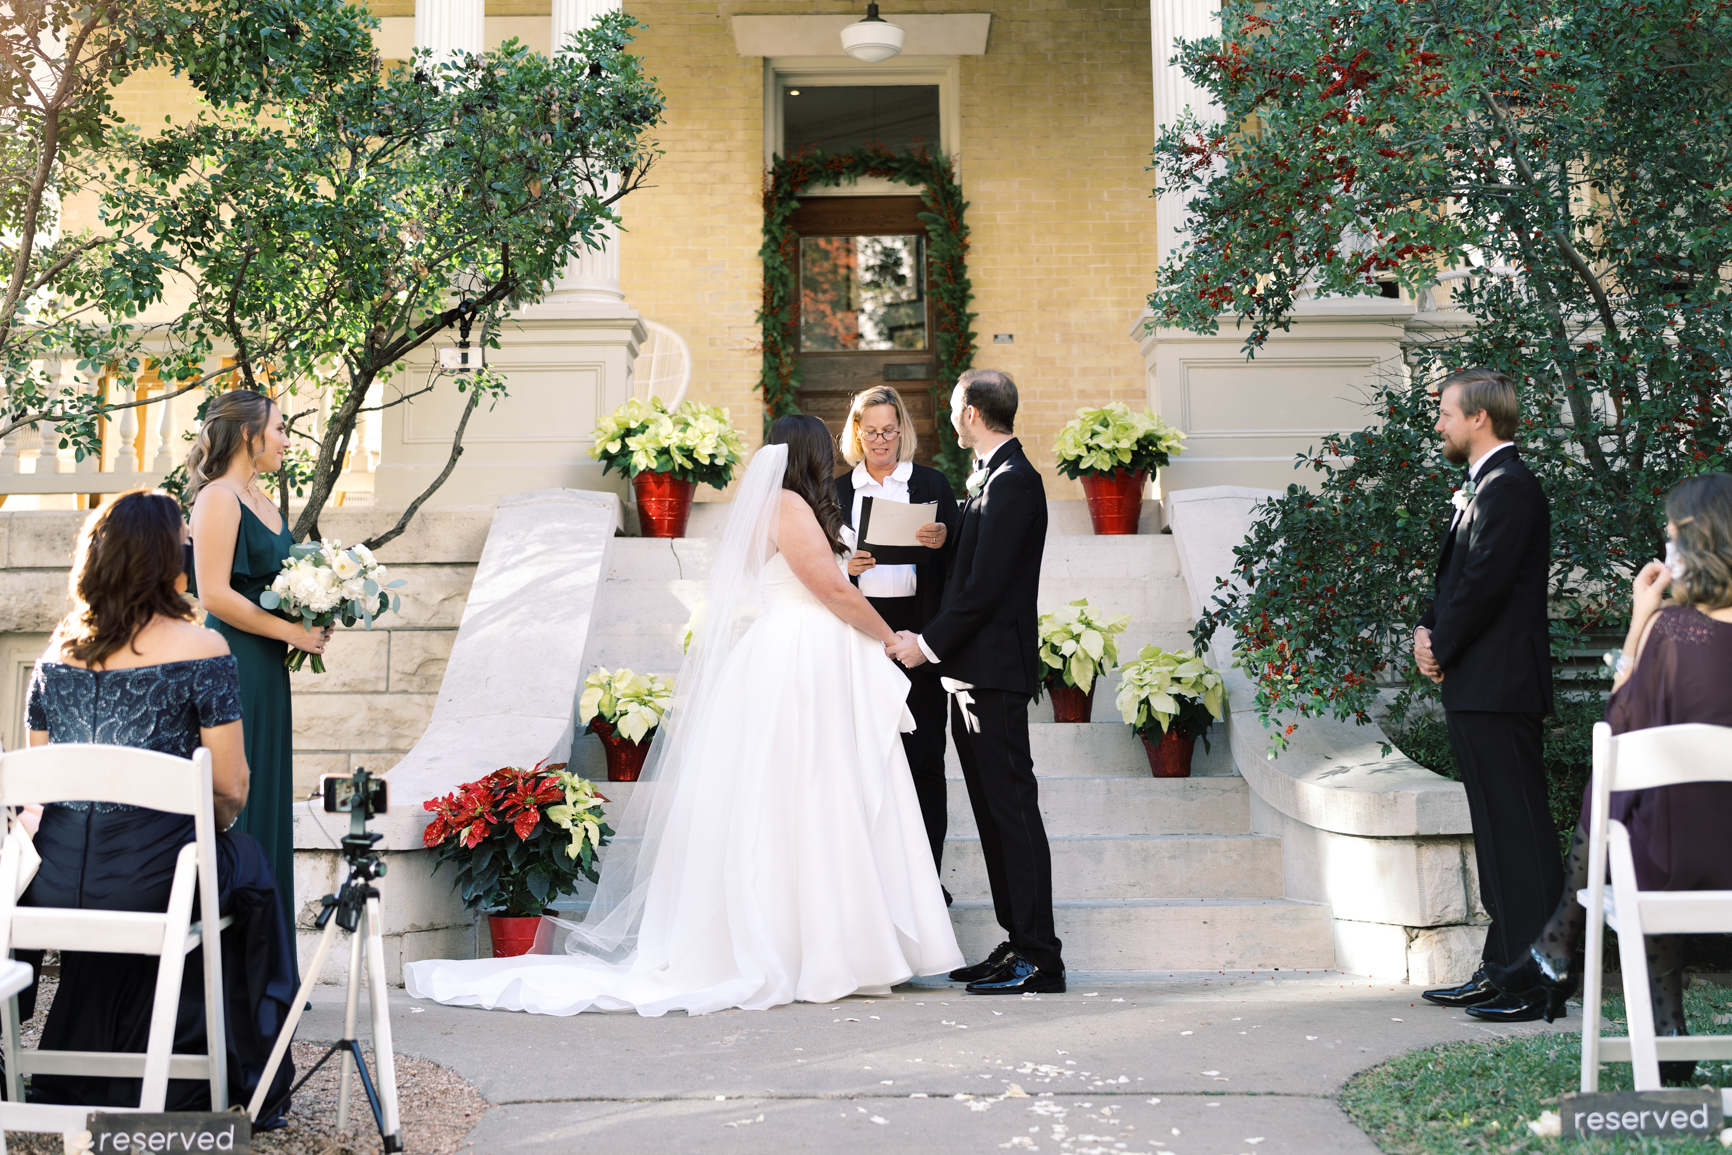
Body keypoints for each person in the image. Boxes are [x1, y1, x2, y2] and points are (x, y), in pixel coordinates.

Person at [403, 414, 961, 1015]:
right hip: (802, 656)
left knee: (806, 795)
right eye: (828, 449)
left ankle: (821, 944)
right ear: (811, 454)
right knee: (809, 792)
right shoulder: (790, 505)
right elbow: (829, 591)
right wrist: (888, 638)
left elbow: (792, 577)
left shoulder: (778, 505)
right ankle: (817, 949)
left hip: (800, 650)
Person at [18, 490, 296, 1114]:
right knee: (245, 864)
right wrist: (207, 828)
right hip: (156, 883)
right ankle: (244, 1071)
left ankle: (83, 1073)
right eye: (186, 544)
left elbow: (40, 782)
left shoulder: (53, 657)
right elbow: (231, 787)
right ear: (166, 558)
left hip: (53, 883)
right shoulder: (203, 650)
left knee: (181, 864)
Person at [1487, 472, 1732, 1081]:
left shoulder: (1674, 633)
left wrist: (1641, 618)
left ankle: (1564, 944)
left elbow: (1619, 728)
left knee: (1623, 789)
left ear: (1694, 544)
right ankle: (1560, 946)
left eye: (1672, 536)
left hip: (1676, 865)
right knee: (1655, 806)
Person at [887, 369, 1064, 996]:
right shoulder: (992, 479)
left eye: (954, 406)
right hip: (968, 679)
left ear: (971, 413)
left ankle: (1041, 957)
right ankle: (1017, 942)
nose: (951, 413)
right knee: (992, 816)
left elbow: (988, 589)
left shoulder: (1017, 482)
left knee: (1012, 814)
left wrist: (924, 644)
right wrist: (949, 530)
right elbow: (975, 562)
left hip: (991, 678)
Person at [1412, 368, 1563, 1023]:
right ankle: (1503, 968)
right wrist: (1425, 627)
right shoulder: (1485, 485)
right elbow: (1452, 576)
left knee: (1521, 835)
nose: (1439, 423)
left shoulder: (1513, 487)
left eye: (1447, 412)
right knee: (1496, 833)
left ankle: (1540, 980)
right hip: (1478, 683)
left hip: (1500, 684)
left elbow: (1483, 585)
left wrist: (1440, 645)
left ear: (1479, 417)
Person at [187, 390, 328, 932]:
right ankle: (239, 969)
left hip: (267, 664)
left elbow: (274, 582)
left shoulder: (260, 496)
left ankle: (271, 964)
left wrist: (316, 607)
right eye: (280, 429)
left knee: (268, 790)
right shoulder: (219, 497)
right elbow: (215, 594)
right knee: (244, 794)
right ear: (248, 434)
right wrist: (294, 631)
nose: (287, 440)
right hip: (233, 659)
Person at [833, 386, 957, 895]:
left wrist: (944, 538)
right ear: (856, 433)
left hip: (918, 635)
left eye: (889, 430)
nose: (880, 441)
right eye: (871, 431)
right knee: (861, 761)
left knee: (924, 758)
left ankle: (926, 882)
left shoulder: (930, 483)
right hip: (857, 637)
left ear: (902, 430)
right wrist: (848, 567)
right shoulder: (836, 491)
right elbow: (813, 565)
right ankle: (869, 885)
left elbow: (962, 567)